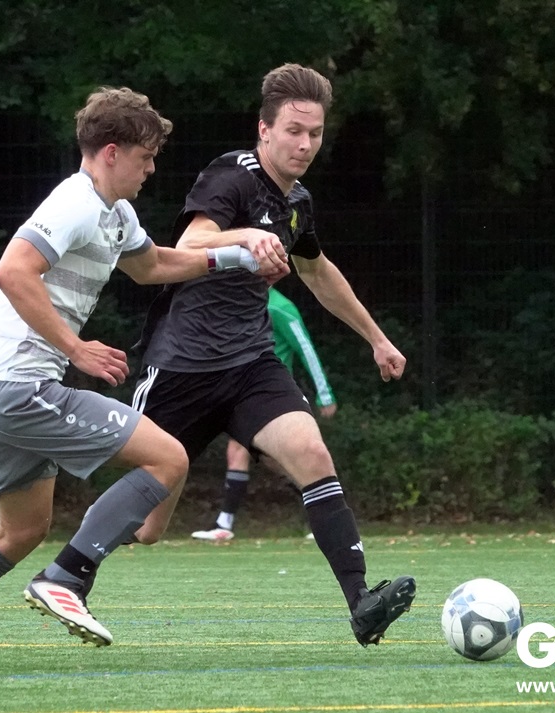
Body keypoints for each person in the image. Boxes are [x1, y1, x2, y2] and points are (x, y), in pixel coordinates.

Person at [0, 86, 280, 667]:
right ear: (112, 152)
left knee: (21, 531)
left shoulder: (115, 213)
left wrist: (235, 255)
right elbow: (12, 270)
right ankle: (67, 577)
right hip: (19, 388)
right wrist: (75, 349)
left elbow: (154, 266)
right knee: (168, 459)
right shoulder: (76, 203)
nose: (151, 169)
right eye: (145, 157)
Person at [125, 62, 416, 648]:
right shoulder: (231, 175)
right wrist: (246, 235)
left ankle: (362, 602)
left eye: (315, 133)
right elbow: (191, 242)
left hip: (250, 366)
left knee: (310, 451)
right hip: (182, 367)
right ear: (264, 130)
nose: (305, 144)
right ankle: (67, 575)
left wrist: (377, 338)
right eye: (294, 131)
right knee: (148, 526)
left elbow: (319, 272)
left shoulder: (297, 202)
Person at [192, 286, 337, 542]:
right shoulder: (239, 301)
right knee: (245, 453)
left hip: (274, 396)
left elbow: (306, 348)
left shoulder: (279, 307)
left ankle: (330, 512)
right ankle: (224, 524)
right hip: (244, 394)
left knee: (280, 460)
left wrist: (325, 394)